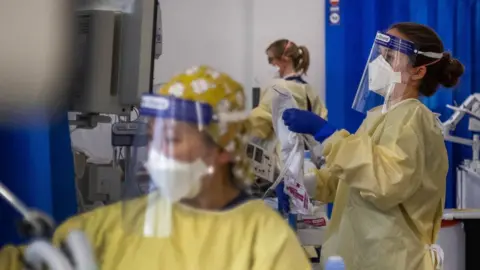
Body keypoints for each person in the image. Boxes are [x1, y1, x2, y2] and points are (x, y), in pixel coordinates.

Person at [0, 66, 311, 270]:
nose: (155, 155)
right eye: (151, 139)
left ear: (222, 149)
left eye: (172, 140)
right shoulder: (116, 226)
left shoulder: (262, 238)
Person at [282, 22, 465, 270]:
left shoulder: (415, 118)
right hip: (361, 256)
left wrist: (326, 134)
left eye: (390, 56)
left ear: (418, 71)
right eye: (380, 53)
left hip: (392, 259)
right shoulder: (379, 115)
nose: (379, 62)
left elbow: (385, 182)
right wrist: (303, 181)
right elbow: (350, 182)